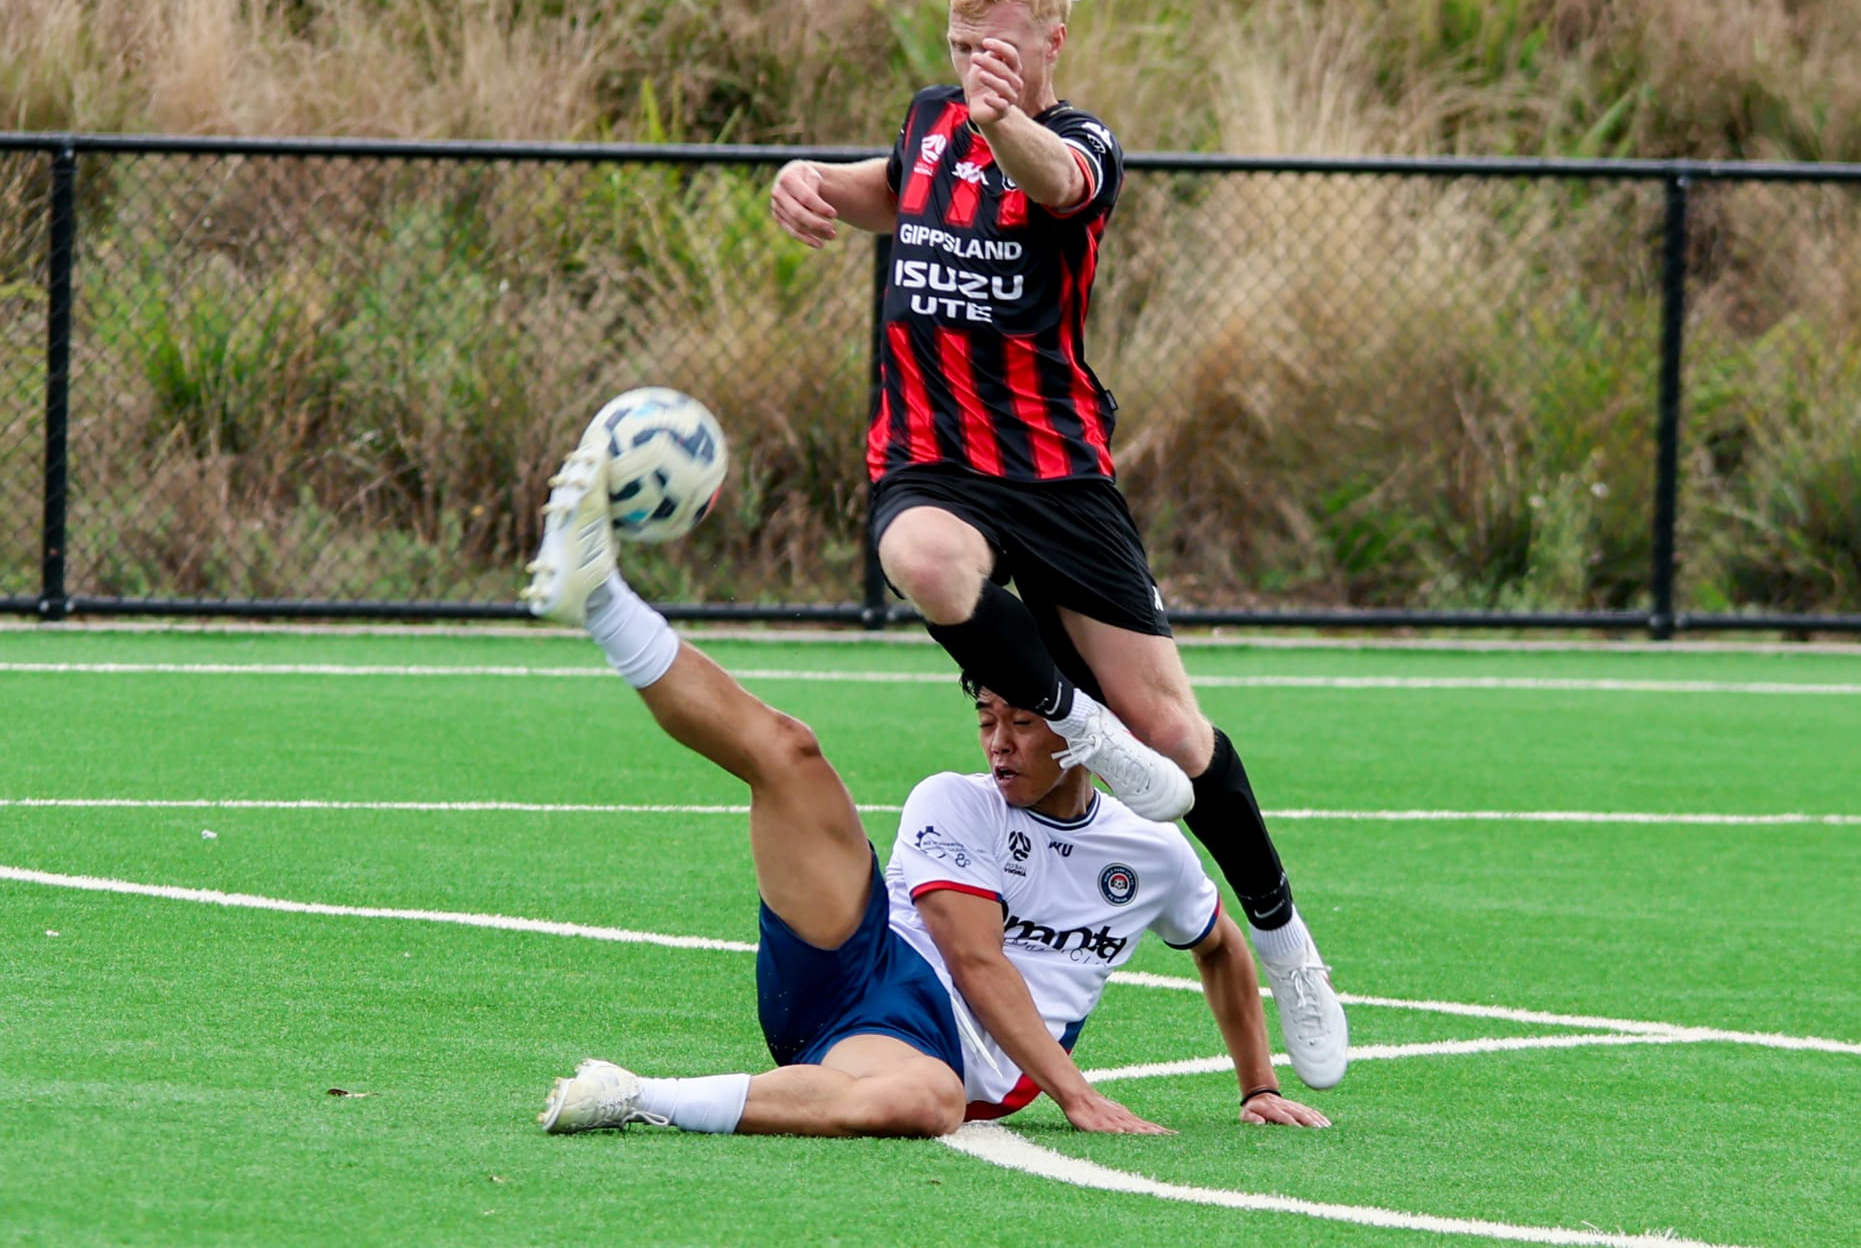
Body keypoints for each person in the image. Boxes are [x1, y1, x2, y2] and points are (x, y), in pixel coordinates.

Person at [767, 0, 1346, 1086]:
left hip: (1055, 473)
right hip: (931, 458)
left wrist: (1001, 121)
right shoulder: (932, 121)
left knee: (1178, 742)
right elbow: (884, 193)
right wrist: (804, 183)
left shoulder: (1076, 144)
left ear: (1048, 45)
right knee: (925, 564)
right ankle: (1071, 722)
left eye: (994, 45)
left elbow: (1055, 182)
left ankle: (1286, 948)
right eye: (957, 42)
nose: (971, 61)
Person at [521, 426, 1329, 1137]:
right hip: (862, 956)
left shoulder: (1151, 850)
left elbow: (1220, 945)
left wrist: (1257, 1083)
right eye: (986, 716)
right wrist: (1076, 1094)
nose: (998, 742)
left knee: (928, 1099)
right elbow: (974, 961)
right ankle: (602, 598)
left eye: (1021, 719)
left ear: (1087, 729)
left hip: (917, 1046)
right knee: (790, 754)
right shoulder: (951, 801)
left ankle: (631, 1094)